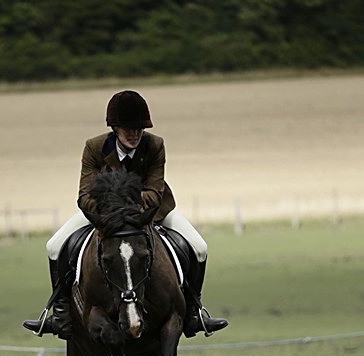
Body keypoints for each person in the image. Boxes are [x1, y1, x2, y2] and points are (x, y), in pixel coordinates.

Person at [24, 90, 228, 339]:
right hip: (105, 217)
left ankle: (194, 314)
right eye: (128, 129)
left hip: (152, 214)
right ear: (115, 128)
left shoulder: (155, 145)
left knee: (199, 247)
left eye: (139, 129)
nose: (135, 134)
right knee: (54, 246)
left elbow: (154, 195)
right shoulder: (95, 148)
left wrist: (121, 205)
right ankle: (60, 315)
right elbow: (84, 198)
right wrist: (112, 213)